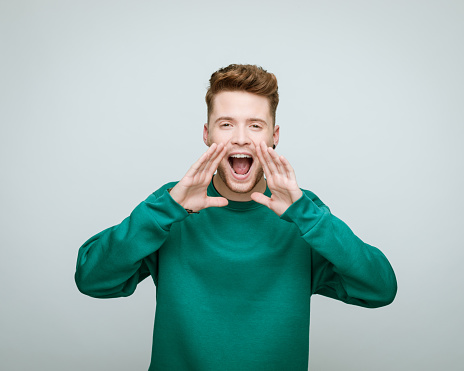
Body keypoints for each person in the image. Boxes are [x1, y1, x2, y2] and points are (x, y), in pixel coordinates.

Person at [75, 64, 397, 371]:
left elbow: (380, 287)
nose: (240, 138)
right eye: (226, 124)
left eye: (255, 125)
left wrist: (307, 216)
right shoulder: (172, 206)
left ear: (275, 136)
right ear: (207, 134)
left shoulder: (304, 215)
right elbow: (91, 276)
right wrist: (166, 210)